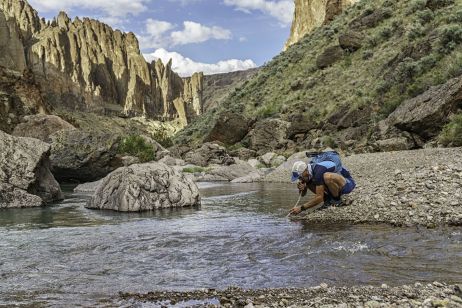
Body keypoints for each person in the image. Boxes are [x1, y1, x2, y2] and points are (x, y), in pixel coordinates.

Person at [288, 160, 355, 215]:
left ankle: (337, 200)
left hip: (348, 184)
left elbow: (319, 198)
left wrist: (301, 208)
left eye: (300, 177)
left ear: (305, 172)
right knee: (309, 181)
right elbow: (302, 195)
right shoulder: (308, 173)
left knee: (327, 177)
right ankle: (328, 201)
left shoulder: (318, 171)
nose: (300, 179)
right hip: (337, 186)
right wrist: (303, 188)